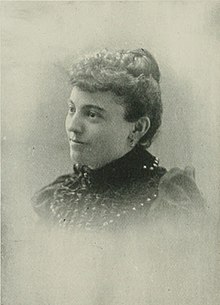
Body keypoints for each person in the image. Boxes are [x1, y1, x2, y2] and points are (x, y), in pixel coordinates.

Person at [32, 48, 205, 232]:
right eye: (72, 109)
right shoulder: (57, 196)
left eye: (92, 114)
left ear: (137, 128)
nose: (73, 126)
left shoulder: (167, 201)